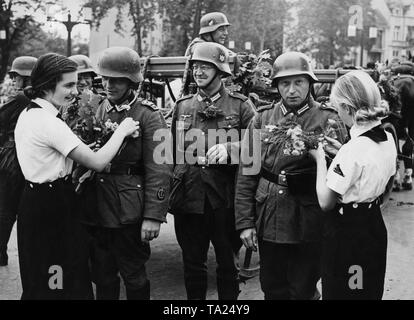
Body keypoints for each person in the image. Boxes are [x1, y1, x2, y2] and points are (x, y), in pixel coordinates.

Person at [14, 53, 140, 299]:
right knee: (59, 279)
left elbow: (57, 155)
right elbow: (98, 161)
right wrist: (122, 131)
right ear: (48, 85)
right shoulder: (49, 123)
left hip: (37, 202)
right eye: (68, 85)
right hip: (53, 207)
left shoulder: (31, 114)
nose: (75, 91)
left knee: (45, 276)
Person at [235, 52, 348, 300]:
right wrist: (244, 223)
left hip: (309, 219)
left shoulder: (329, 119)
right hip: (270, 216)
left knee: (303, 290)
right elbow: (247, 173)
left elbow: (341, 178)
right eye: (285, 83)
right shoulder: (262, 118)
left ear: (310, 83)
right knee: (272, 287)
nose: (292, 90)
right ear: (276, 86)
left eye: (299, 82)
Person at [79, 46, 172, 300]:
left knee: (134, 275)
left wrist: (154, 215)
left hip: (128, 211)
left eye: (117, 80)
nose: (109, 85)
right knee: (102, 275)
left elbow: (160, 169)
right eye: (106, 78)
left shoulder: (149, 115)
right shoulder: (97, 109)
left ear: (131, 81)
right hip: (97, 207)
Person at [169, 42, 256, 300]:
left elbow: (258, 145)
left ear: (221, 71)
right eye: (196, 66)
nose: (199, 71)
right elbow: (168, 151)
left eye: (206, 66)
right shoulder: (182, 106)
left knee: (228, 265)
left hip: (225, 199)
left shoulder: (240, 106)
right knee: (192, 265)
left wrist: (233, 148)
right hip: (189, 196)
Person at [309, 70, 397, 299]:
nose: (337, 114)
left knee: (344, 293)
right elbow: (373, 171)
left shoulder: (352, 150)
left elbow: (326, 201)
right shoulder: (386, 137)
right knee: (366, 291)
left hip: (347, 233)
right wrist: (341, 153)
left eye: (338, 108)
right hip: (372, 226)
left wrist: (320, 160)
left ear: (348, 108)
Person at [0, 56, 37, 266]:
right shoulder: (39, 96)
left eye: (17, 77)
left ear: (26, 78)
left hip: (12, 157)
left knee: (5, 209)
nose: (14, 80)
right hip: (28, 157)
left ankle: (1, 252)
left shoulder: (23, 97)